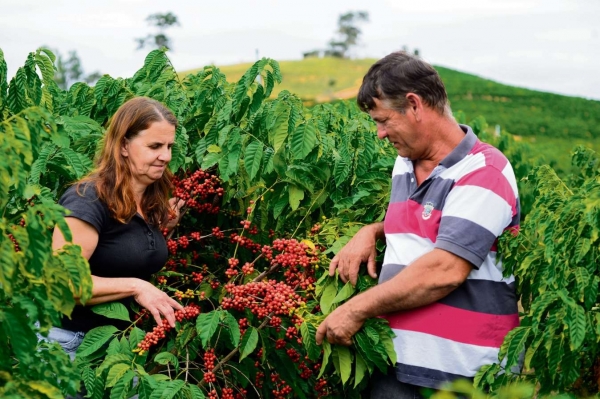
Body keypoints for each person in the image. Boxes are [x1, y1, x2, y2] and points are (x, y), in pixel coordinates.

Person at [315, 52, 520, 398]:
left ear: (414, 105)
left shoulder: (484, 172)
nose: (379, 134)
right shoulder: (404, 164)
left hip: (462, 376)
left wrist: (355, 309)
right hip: (396, 366)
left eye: (384, 120)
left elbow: (445, 269)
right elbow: (426, 224)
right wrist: (373, 230)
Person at [49, 96, 184, 360]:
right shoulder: (87, 200)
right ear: (123, 145)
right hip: (67, 345)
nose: (165, 156)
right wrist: (137, 287)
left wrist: (162, 225)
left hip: (116, 348)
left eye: (169, 146)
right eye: (154, 146)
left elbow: (122, 249)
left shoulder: (150, 203)